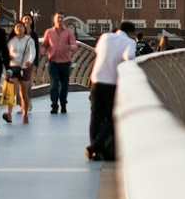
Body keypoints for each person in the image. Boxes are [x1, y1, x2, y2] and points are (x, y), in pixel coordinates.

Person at [86, 21, 138, 162]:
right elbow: (130, 57)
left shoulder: (105, 37)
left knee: (96, 115)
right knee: (112, 117)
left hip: (96, 79)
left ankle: (94, 150)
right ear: (131, 33)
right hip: (111, 83)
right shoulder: (129, 42)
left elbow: (97, 51)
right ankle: (96, 147)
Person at [42, 12, 77, 115]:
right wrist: (43, 51)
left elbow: (74, 44)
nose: (60, 20)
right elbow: (44, 44)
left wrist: (71, 47)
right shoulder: (49, 32)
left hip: (65, 62)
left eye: (62, 18)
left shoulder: (69, 32)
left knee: (64, 85)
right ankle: (54, 104)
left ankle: (63, 103)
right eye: (58, 18)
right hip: (53, 62)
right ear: (54, 19)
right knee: (54, 84)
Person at [6, 17, 38, 125]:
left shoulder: (29, 40)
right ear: (14, 29)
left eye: (21, 26)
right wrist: (8, 57)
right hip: (13, 67)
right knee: (11, 91)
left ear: (24, 29)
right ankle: (9, 113)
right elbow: (6, 52)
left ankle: (25, 114)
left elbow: (33, 53)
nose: (19, 28)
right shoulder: (11, 41)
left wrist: (29, 61)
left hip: (24, 68)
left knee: (23, 93)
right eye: (17, 26)